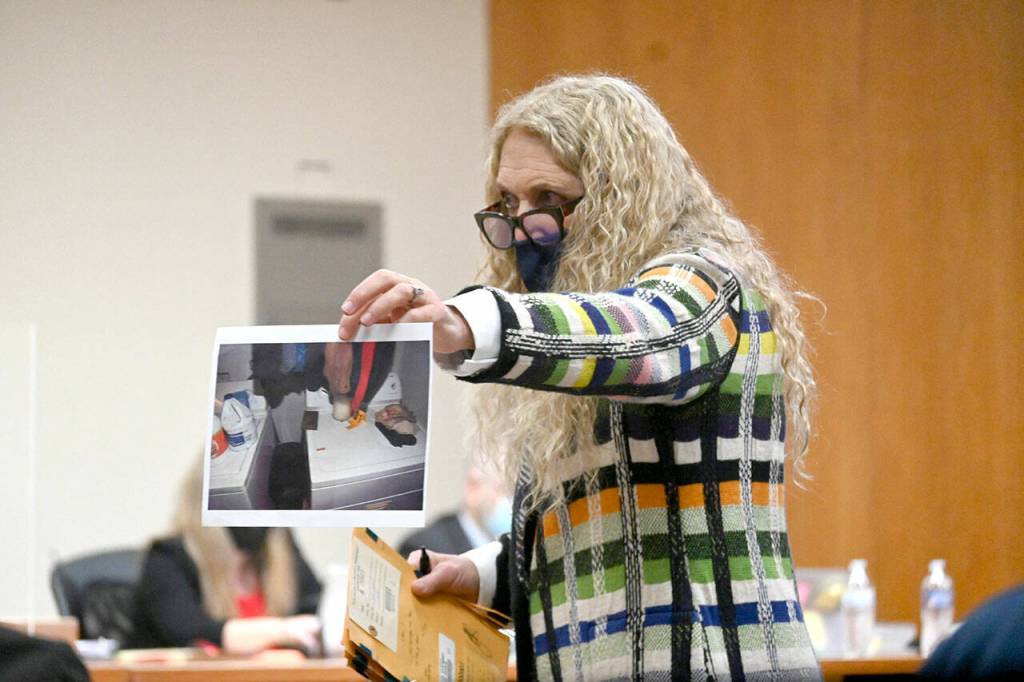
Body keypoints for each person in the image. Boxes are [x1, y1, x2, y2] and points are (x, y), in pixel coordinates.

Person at [338, 74, 819, 680]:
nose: (522, 227)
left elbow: (644, 336)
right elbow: (604, 531)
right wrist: (485, 574)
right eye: (508, 204)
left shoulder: (705, 287)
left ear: (621, 197)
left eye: (548, 198)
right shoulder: (565, 344)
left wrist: (468, 320)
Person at [130, 460, 322, 655]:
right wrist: (281, 631)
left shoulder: (281, 548)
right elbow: (189, 632)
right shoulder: (167, 557)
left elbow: (316, 607)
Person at [397, 465, 512, 557]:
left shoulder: (518, 553)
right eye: (507, 491)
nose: (516, 504)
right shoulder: (423, 551)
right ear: (473, 488)